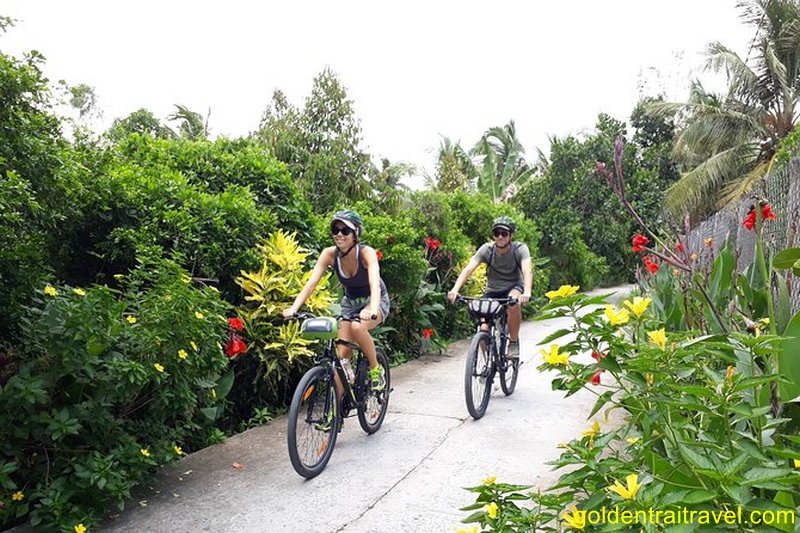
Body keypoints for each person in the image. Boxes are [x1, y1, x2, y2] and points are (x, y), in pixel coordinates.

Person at [283, 210, 388, 391]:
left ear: (355, 234)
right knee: (342, 356)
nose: (339, 234)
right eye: (335, 229)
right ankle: (336, 413)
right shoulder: (329, 254)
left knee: (358, 326)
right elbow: (311, 284)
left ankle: (376, 370)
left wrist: (372, 308)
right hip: (351, 302)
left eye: (345, 230)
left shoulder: (366, 253)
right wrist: (293, 308)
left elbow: (374, 283)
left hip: (374, 299)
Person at [447, 216, 533, 359]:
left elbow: (527, 271)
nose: (500, 237)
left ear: (511, 235)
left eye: (504, 234)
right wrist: (455, 290)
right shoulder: (486, 250)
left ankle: (513, 342)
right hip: (492, 291)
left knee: (513, 303)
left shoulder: (520, 249)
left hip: (514, 287)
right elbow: (468, 270)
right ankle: (488, 360)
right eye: (497, 233)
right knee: (484, 328)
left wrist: (527, 291)